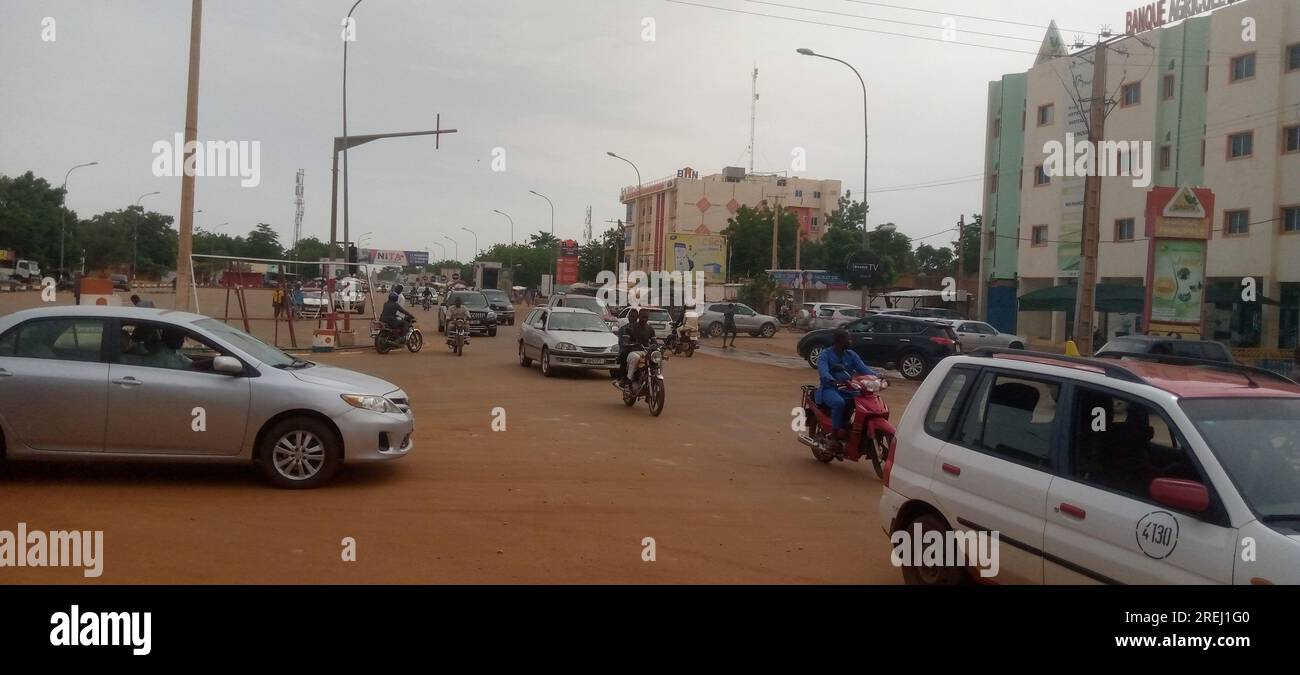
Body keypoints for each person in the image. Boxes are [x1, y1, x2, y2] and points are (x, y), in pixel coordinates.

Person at [816, 329, 881, 449]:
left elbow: (863, 368)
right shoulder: (826, 354)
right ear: (839, 341)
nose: (851, 341)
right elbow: (823, 370)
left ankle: (850, 427)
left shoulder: (851, 354)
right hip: (829, 388)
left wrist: (879, 377)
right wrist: (831, 380)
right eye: (848, 339)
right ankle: (834, 437)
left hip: (847, 388)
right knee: (839, 403)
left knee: (862, 401)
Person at [623, 310, 658, 388]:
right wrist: (629, 344)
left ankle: (654, 378)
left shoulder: (650, 329)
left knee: (658, 359)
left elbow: (654, 341)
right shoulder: (630, 327)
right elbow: (625, 342)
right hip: (633, 352)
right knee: (636, 357)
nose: (644, 319)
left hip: (645, 352)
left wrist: (656, 346)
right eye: (643, 317)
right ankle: (628, 381)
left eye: (646, 317)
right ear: (639, 317)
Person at [614, 308, 640, 386]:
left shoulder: (640, 328)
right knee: (623, 354)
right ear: (628, 317)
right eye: (630, 316)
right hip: (627, 350)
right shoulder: (623, 329)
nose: (632, 318)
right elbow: (621, 344)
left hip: (639, 350)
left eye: (634, 317)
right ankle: (623, 378)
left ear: (637, 318)